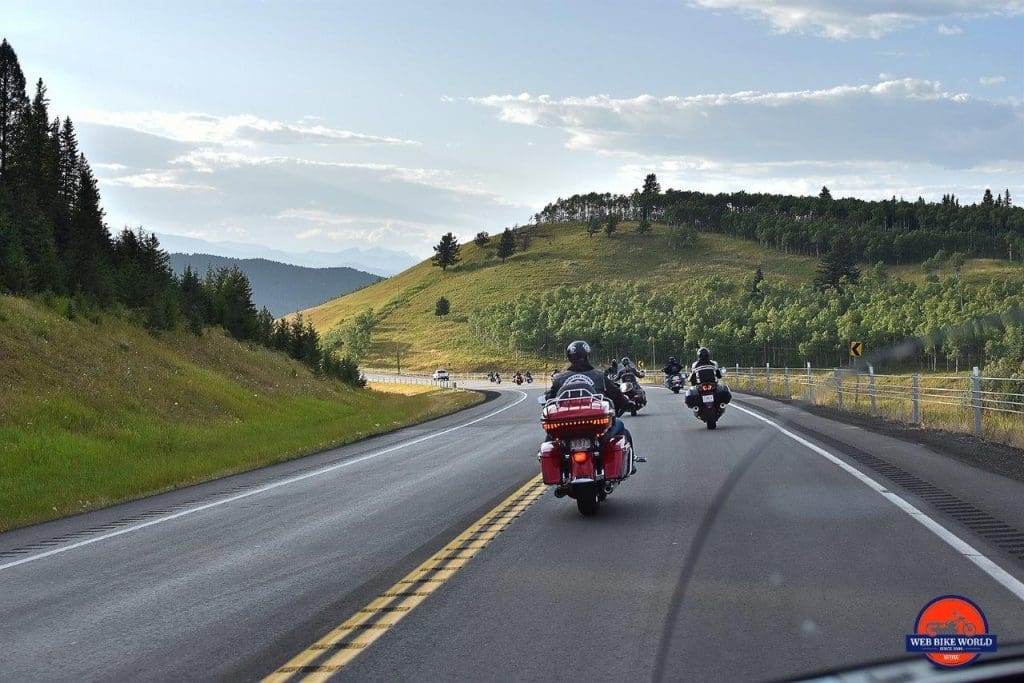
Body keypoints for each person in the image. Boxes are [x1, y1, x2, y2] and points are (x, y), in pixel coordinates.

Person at [546, 341, 645, 465]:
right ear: (587, 356)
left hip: (566, 428)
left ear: (569, 357)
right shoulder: (599, 376)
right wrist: (626, 402)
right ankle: (630, 464)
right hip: (595, 426)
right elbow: (616, 395)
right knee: (621, 429)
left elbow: (549, 399)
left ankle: (556, 466)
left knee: (549, 440)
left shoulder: (559, 379)